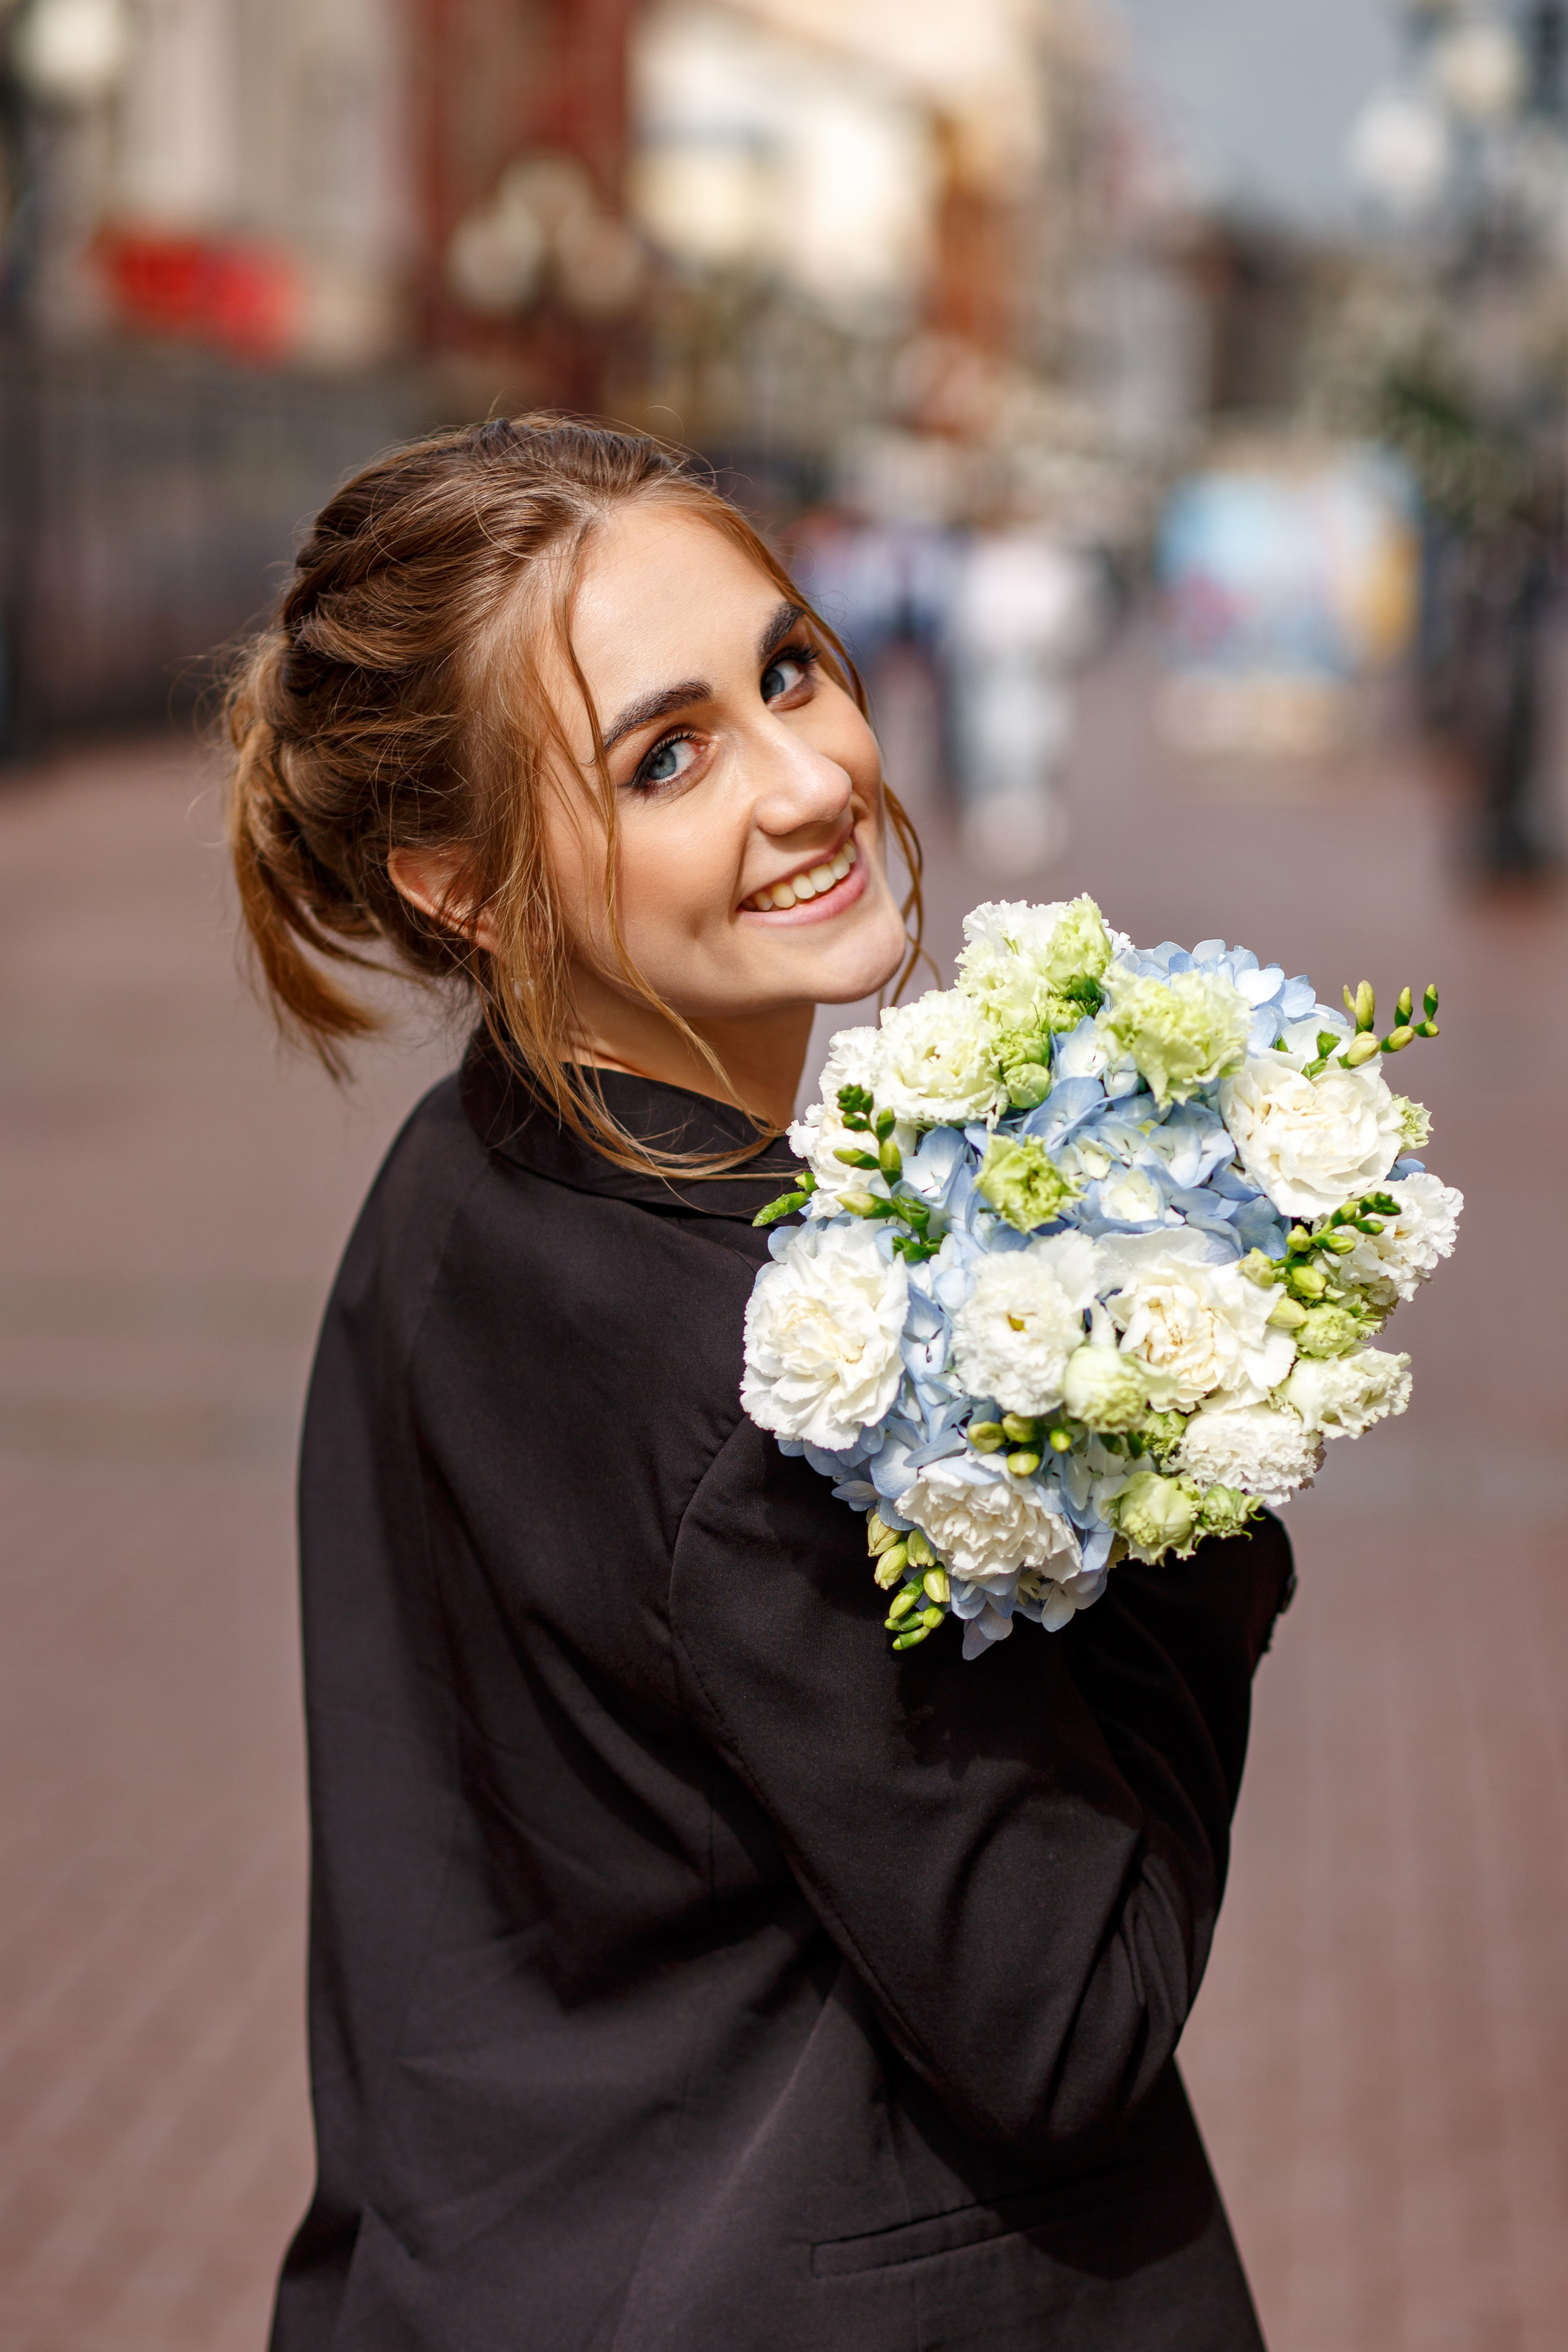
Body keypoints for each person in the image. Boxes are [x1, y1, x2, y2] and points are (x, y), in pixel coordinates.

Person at [225, 415, 1292, 2351]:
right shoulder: (781, 1386)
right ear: (462, 885)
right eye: (669, 754)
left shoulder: (475, 1170)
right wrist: (1195, 1480)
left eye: (789, 667)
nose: (811, 778)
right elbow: (1068, 2014)